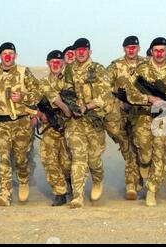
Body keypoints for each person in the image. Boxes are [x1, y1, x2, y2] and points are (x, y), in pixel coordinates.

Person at [127, 37, 166, 206]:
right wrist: (150, 98)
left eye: (162, 50)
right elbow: (130, 94)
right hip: (144, 116)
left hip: (165, 118)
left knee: (160, 152)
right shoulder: (141, 70)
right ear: (151, 52)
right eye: (156, 50)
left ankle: (152, 191)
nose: (159, 53)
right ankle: (146, 168)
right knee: (145, 155)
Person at [0, 42, 41, 206]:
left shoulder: (23, 72)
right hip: (1, 124)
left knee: (22, 159)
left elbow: (38, 92)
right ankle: (5, 194)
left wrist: (23, 97)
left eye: (11, 53)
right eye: (4, 53)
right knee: (3, 158)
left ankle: (23, 180)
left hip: (21, 123)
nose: (8, 56)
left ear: (15, 55)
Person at [63, 38, 112, 208]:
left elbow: (106, 94)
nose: (81, 52)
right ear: (74, 52)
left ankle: (97, 180)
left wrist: (87, 106)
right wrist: (69, 105)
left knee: (94, 160)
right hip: (75, 122)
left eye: (84, 49)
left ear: (89, 52)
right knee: (78, 158)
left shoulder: (98, 69)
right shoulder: (69, 69)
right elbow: (65, 90)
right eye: (78, 50)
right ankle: (78, 197)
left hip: (94, 121)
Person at [106, 36, 144, 200]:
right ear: (124, 49)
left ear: (139, 48)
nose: (131, 50)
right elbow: (105, 88)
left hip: (141, 112)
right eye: (128, 47)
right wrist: (119, 104)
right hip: (121, 113)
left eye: (134, 47)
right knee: (128, 148)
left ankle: (143, 177)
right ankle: (131, 185)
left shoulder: (146, 65)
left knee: (142, 147)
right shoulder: (116, 66)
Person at [38, 50, 73, 206]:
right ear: (48, 63)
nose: (56, 65)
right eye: (53, 62)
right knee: (49, 159)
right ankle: (60, 192)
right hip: (50, 128)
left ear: (63, 64)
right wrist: (40, 114)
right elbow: (34, 103)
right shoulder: (43, 83)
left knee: (66, 163)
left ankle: (69, 182)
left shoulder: (70, 82)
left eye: (59, 62)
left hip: (69, 127)